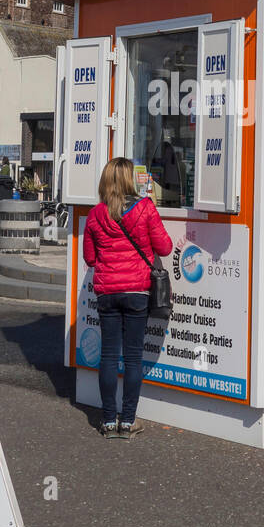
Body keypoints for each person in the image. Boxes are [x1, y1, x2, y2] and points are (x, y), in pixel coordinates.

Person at [82, 156, 172, 439]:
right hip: (137, 292)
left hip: (108, 292)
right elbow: (165, 248)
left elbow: (89, 257)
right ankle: (128, 421)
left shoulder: (96, 214)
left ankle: (108, 421)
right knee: (133, 357)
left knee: (108, 356)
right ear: (130, 180)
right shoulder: (145, 209)